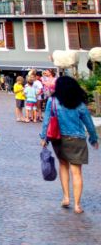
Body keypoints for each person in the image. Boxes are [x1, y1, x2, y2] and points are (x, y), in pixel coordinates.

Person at [40, 75, 99, 214]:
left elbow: (46, 121)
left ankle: (66, 198)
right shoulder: (80, 104)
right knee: (77, 172)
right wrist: (94, 138)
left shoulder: (52, 101)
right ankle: (77, 205)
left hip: (58, 138)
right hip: (77, 140)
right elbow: (89, 124)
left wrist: (44, 138)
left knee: (63, 165)